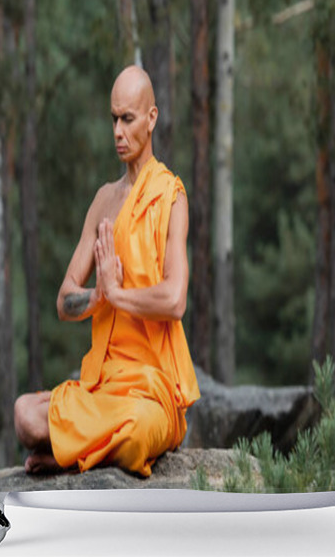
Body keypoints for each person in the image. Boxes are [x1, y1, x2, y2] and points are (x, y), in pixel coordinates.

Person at [13, 65, 199, 476]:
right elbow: (64, 301)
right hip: (103, 387)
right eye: (113, 119)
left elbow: (174, 299)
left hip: (151, 394)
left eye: (128, 119)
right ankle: (83, 449)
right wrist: (97, 297)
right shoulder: (103, 201)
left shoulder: (170, 197)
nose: (117, 131)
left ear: (151, 119)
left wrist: (117, 296)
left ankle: (69, 453)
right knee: (25, 413)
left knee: (136, 432)